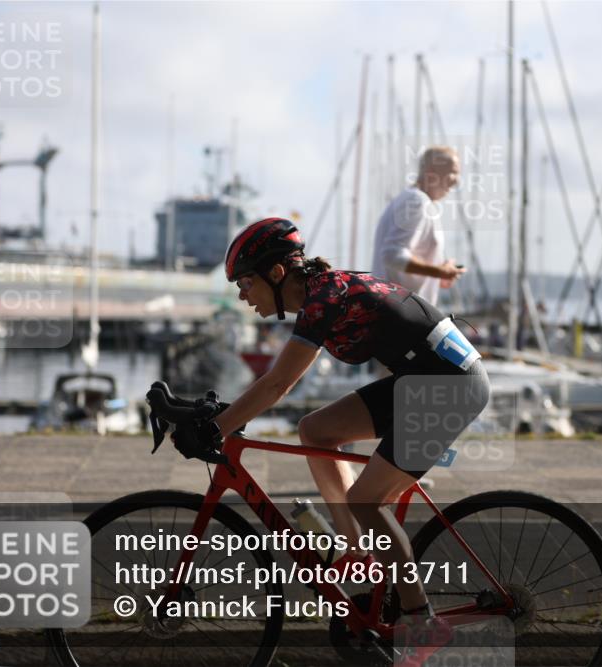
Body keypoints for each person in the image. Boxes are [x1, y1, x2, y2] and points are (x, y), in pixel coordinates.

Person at [205, 217, 490, 665]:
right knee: (315, 431)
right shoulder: (321, 291)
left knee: (365, 500)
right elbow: (277, 384)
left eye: (245, 282)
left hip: (448, 387)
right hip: (424, 379)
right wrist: (221, 419)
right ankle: (357, 552)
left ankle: (422, 619)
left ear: (277, 274)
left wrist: (216, 428)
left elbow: (277, 383)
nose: (242, 295)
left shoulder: (324, 299)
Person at [372, 145, 466, 306]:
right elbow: (392, 254)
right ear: (431, 173)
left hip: (393, 310)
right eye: (453, 172)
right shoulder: (416, 201)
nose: (457, 181)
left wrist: (438, 274)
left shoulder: (407, 199)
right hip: (402, 313)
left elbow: (396, 256)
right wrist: (440, 271)